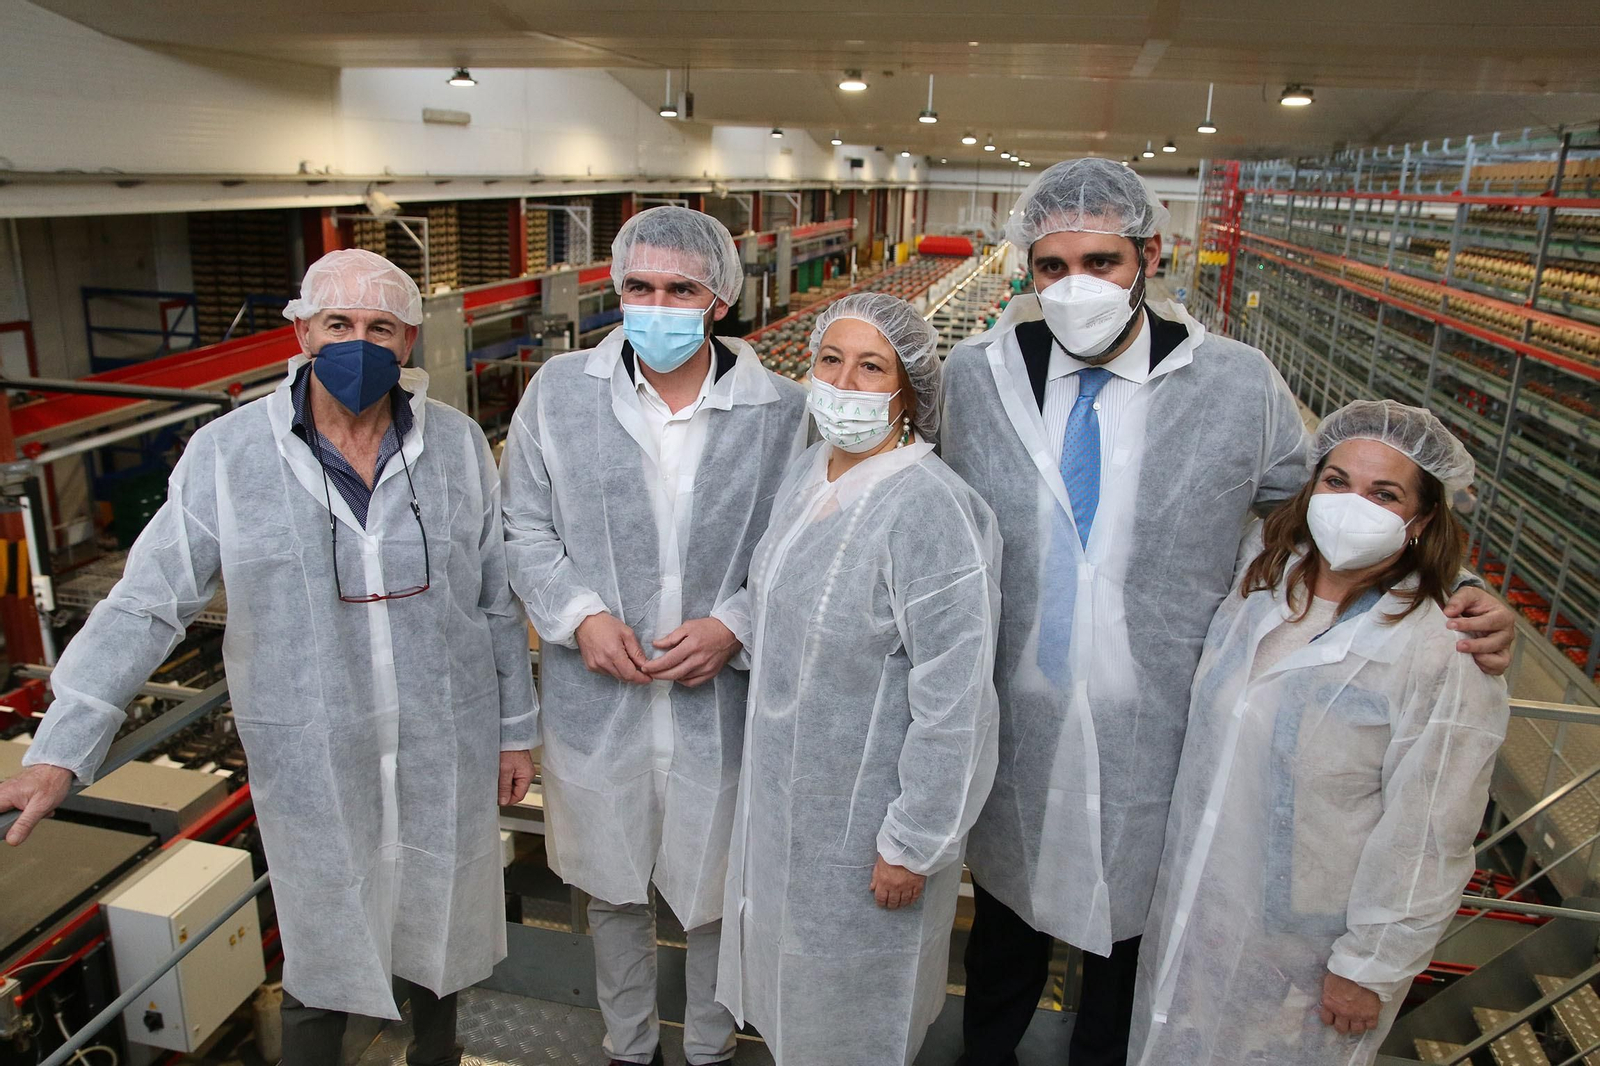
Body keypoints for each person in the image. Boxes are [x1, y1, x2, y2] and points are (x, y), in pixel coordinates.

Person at [938, 158, 1518, 1066]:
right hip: (1015, 726)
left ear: (1151, 256)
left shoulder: (1238, 385)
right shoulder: (977, 377)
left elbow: (1334, 509)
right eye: (1052, 267)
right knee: (1004, 940)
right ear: (1025, 269)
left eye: (1102, 260)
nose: (1075, 286)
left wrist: (1459, 587)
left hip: (1161, 742)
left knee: (1128, 961)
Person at [0, 248, 536, 1066]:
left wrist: (515, 729)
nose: (358, 343)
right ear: (302, 331)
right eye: (338, 324)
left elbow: (496, 599)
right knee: (320, 958)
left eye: (379, 328)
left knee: (443, 934)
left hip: (444, 743)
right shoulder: (231, 454)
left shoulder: (457, 443)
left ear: (410, 342)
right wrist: (60, 748)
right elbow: (148, 601)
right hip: (314, 757)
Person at [500, 206, 807, 1066]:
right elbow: (523, 527)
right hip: (600, 702)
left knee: (716, 897)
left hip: (725, 705)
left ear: (720, 300)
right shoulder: (560, 393)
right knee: (611, 894)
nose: (658, 303)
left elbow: (799, 546)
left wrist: (733, 625)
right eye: (640, 286)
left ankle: (710, 1049)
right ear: (616, 288)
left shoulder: (781, 411)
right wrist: (579, 616)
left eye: (682, 288)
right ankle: (626, 1049)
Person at [1129, 400, 1509, 1065]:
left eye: (1383, 493)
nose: (1350, 503)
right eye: (1337, 482)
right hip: (1204, 905)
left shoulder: (1441, 646)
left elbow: (1432, 827)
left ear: (1420, 520)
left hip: (1314, 948)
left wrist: (1371, 965)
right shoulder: (1263, 576)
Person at [715, 293, 1002, 1065]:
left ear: (910, 393)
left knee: (853, 1025)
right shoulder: (812, 473)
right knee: (792, 1012)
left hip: (869, 833)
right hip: (785, 819)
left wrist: (914, 841)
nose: (843, 383)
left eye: (871, 367)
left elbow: (956, 700)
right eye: (830, 361)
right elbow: (782, 600)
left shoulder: (932, 510)